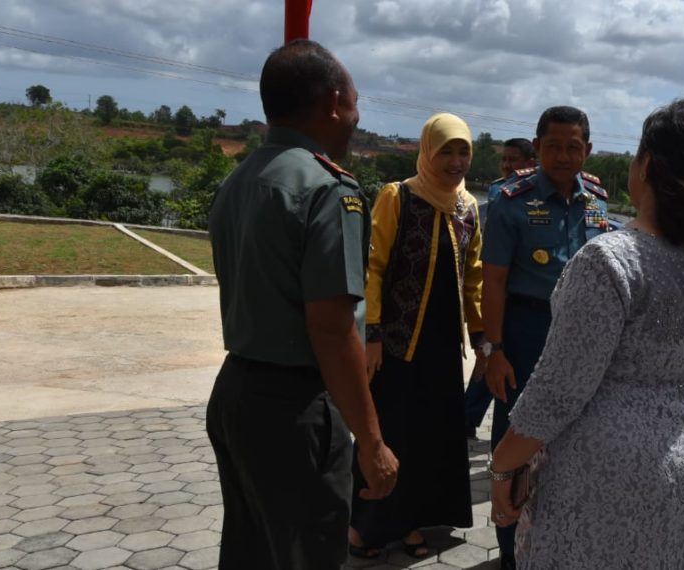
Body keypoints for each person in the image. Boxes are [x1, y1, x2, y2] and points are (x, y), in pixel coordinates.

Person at [487, 99, 684, 568]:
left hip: (606, 462)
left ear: (646, 166)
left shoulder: (609, 260)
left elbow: (560, 390)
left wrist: (504, 463)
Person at [205, 39, 398, 570]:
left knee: (251, 550)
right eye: (357, 103)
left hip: (236, 394)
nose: (357, 118)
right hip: (299, 410)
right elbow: (333, 332)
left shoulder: (239, 180)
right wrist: (373, 442)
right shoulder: (329, 189)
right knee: (310, 553)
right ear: (335, 102)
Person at [350, 112, 484, 558]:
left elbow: (475, 277)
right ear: (427, 151)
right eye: (446, 150)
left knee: (430, 435)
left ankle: (411, 523)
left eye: (463, 150)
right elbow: (373, 267)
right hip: (396, 343)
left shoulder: (468, 207)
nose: (455, 160)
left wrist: (482, 338)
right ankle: (363, 527)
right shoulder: (399, 197)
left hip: (443, 346)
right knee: (391, 432)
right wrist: (371, 333)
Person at [480, 105, 609, 570]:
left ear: (587, 150)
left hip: (580, 336)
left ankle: (558, 540)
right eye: (553, 145)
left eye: (573, 146)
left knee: (572, 440)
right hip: (525, 331)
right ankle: (511, 548)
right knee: (515, 437)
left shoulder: (597, 200)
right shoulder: (509, 201)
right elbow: (491, 281)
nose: (563, 155)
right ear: (536, 148)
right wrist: (493, 351)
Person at [464, 138, 537, 438]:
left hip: (523, 297)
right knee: (488, 354)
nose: (507, 165)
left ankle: (469, 419)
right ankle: (467, 419)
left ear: (531, 162)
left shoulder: (539, 196)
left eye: (514, 160)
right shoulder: (498, 191)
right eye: (504, 160)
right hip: (495, 290)